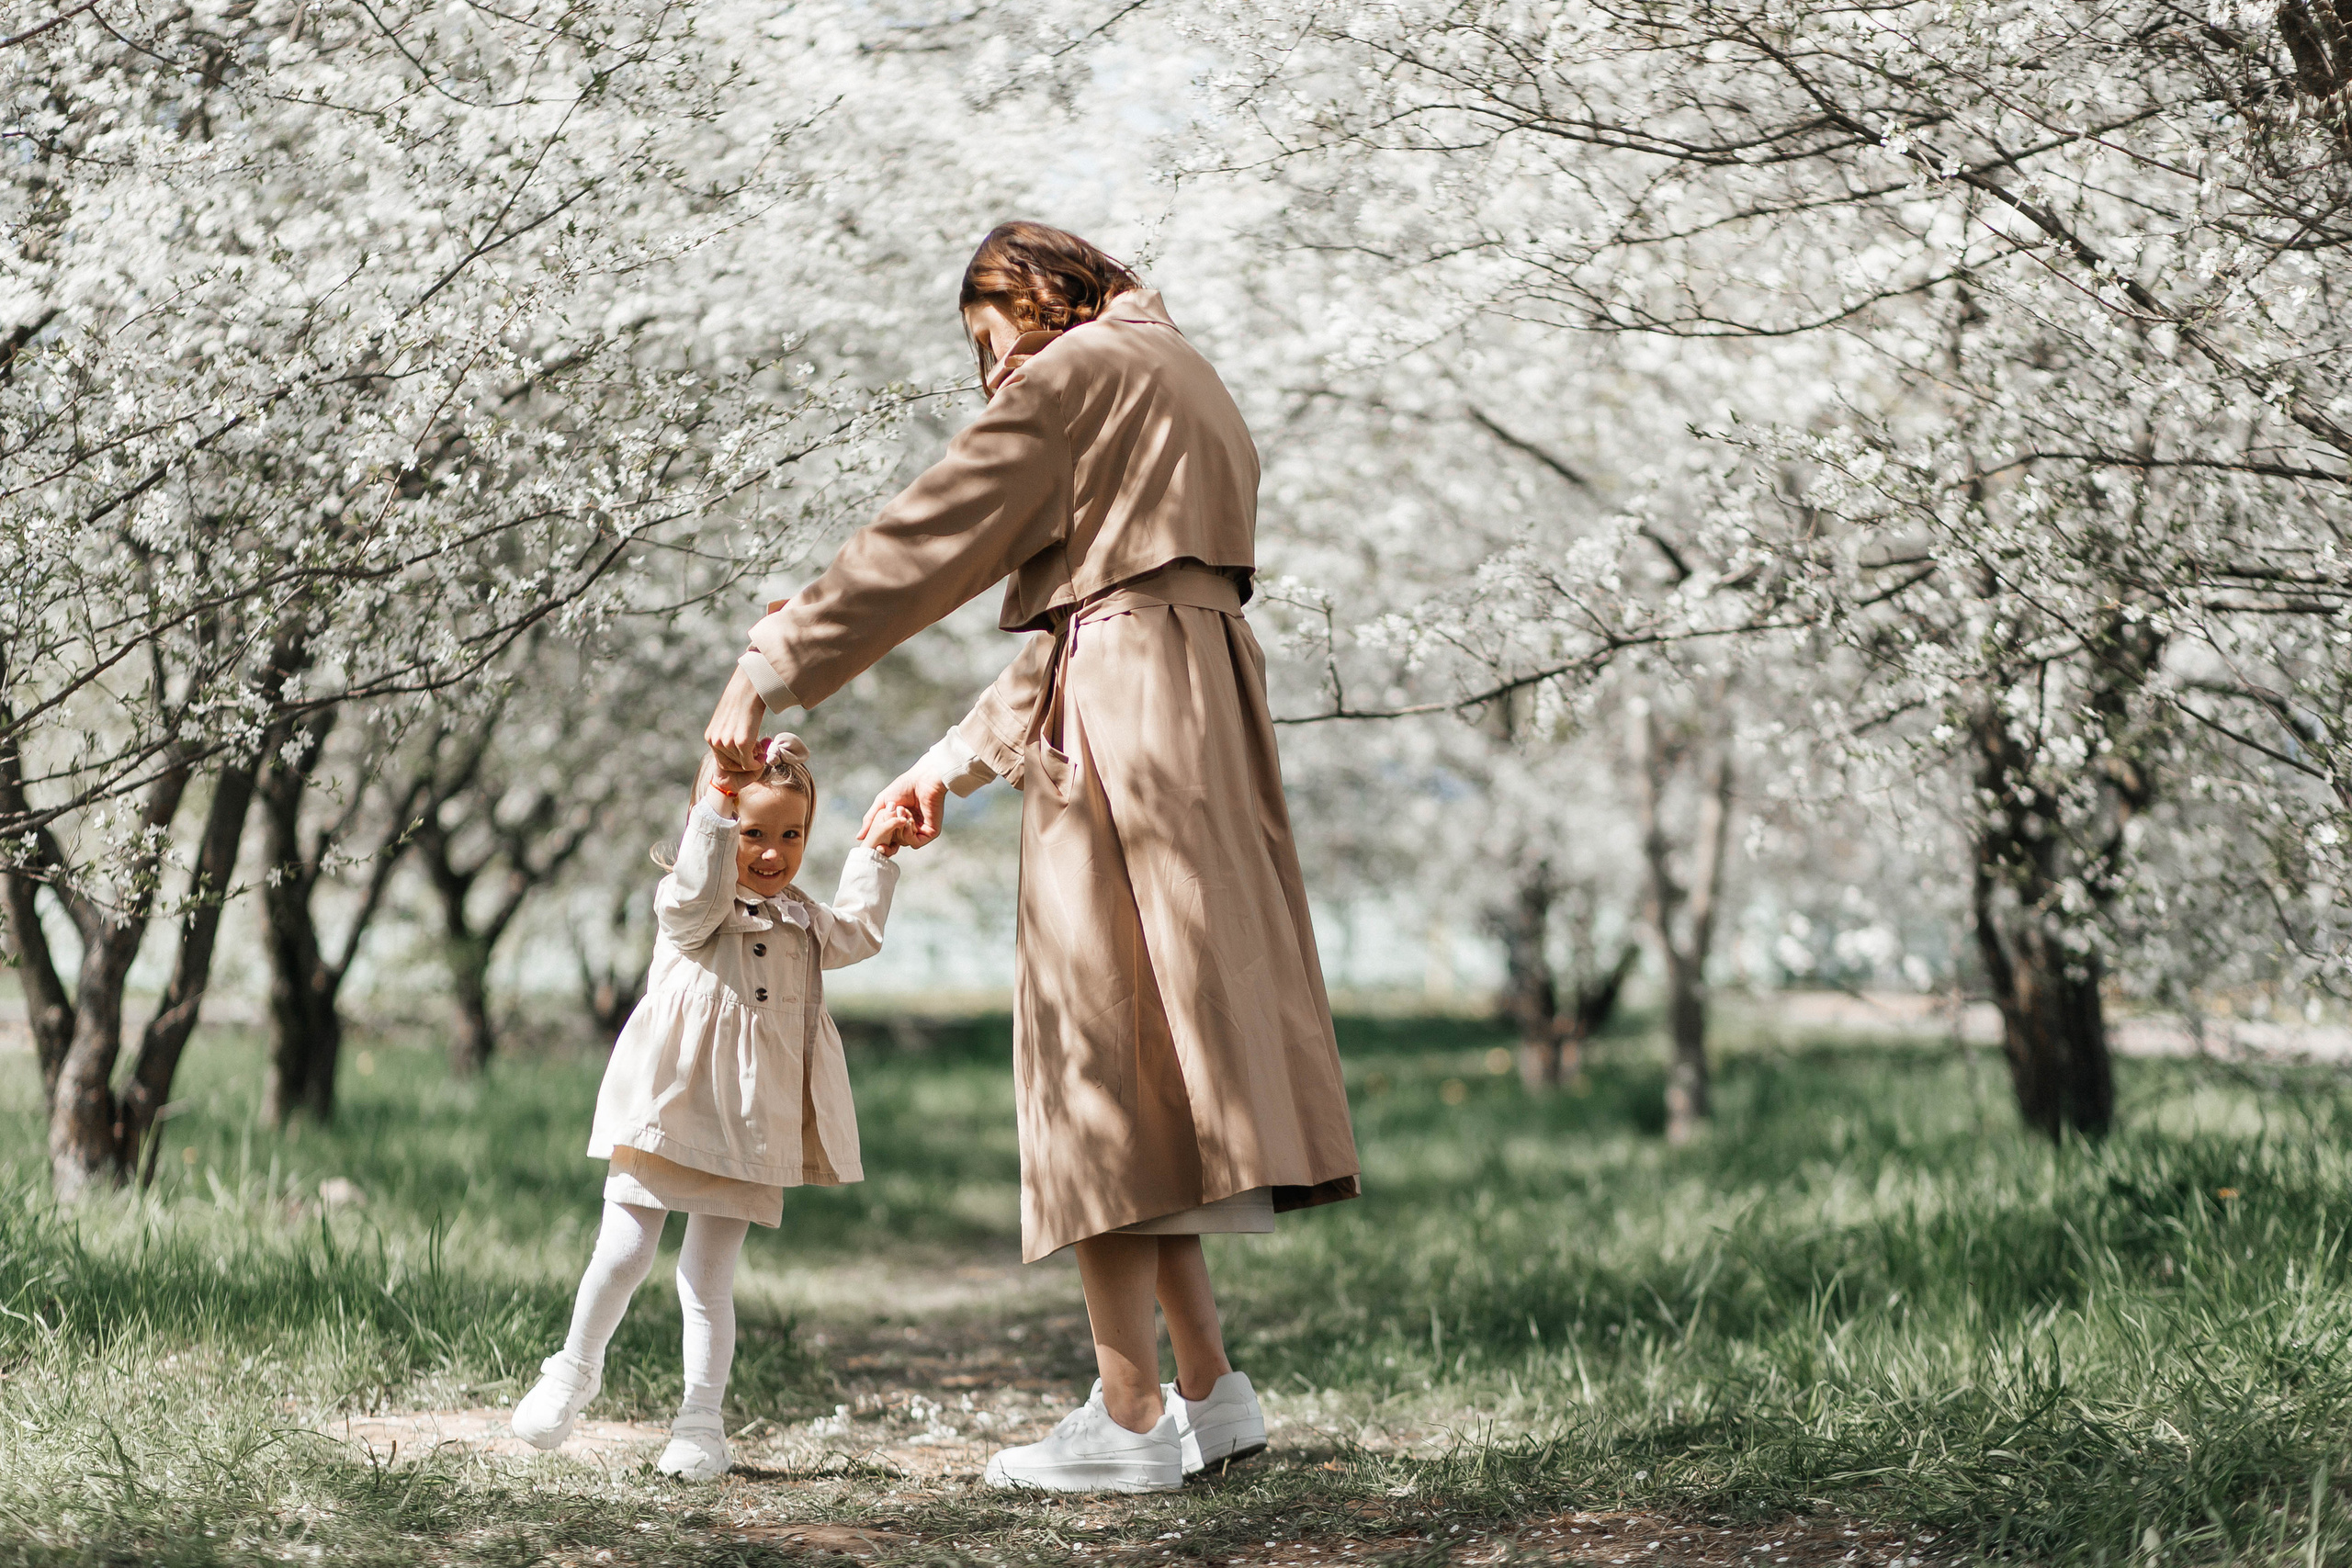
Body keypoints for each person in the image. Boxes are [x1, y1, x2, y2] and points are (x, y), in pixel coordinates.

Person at [704, 221, 1363, 1493]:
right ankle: (1212, 1390)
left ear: (1046, 301)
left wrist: (775, 660)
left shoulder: (1077, 374)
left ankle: (1127, 1411)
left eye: (994, 345)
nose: (996, 380)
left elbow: (935, 528)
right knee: (1153, 1043)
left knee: (1093, 1037)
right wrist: (943, 764)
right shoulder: (1185, 379)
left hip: (1119, 712)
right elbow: (1110, 608)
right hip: (1194, 701)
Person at [510, 737, 918, 1480]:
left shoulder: (800, 919)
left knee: (708, 1278)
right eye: (753, 832)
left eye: (791, 834)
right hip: (671, 1103)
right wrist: (714, 808)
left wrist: (878, 853)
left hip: (753, 1121)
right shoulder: (693, 908)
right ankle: (573, 1368)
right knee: (626, 1249)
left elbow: (858, 931)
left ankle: (701, 1419)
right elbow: (698, 883)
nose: (772, 853)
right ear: (724, 827)